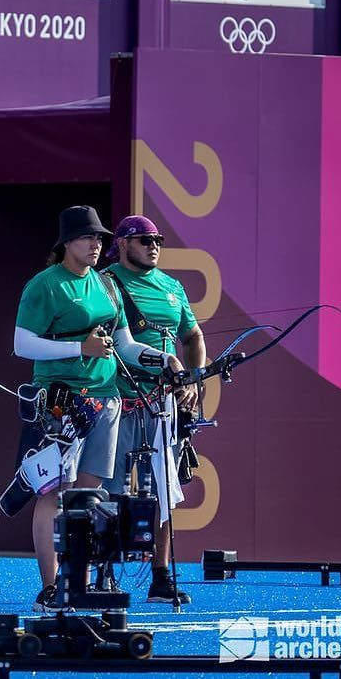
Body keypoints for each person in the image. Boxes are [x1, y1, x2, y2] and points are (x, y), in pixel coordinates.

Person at [12, 206, 185, 613]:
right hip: (60, 400)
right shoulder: (44, 285)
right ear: (67, 243)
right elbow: (22, 344)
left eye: (100, 239)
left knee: (90, 494)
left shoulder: (107, 287)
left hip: (105, 399)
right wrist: (79, 348)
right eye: (88, 238)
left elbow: (124, 345)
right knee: (54, 492)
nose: (96, 244)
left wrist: (164, 360)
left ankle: (80, 583)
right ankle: (51, 587)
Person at [102, 215, 206, 604]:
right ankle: (104, 572)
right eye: (144, 239)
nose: (153, 245)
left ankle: (161, 577)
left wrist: (195, 379)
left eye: (157, 239)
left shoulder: (172, 287)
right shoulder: (105, 282)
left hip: (161, 402)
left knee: (164, 488)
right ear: (123, 244)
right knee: (108, 488)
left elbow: (192, 336)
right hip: (116, 398)